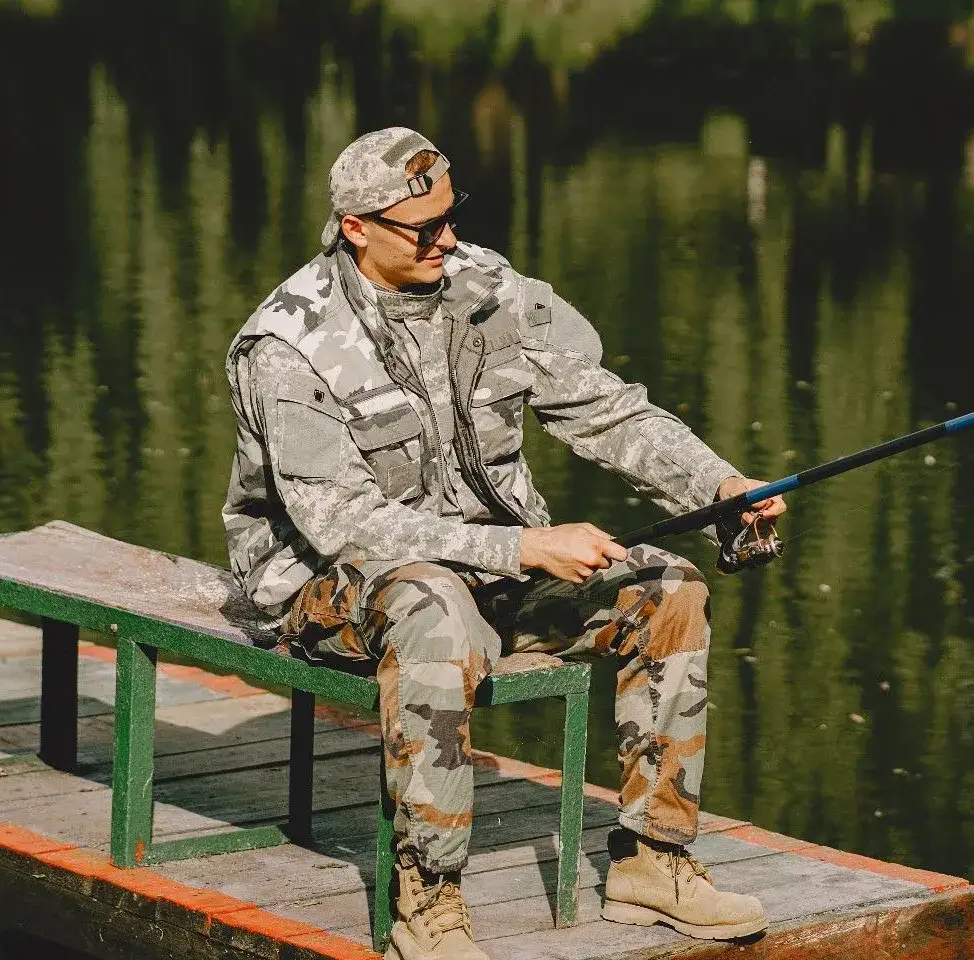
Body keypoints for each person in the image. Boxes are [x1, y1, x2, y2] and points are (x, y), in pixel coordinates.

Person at [223, 127, 787, 960]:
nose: (446, 240)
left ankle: (654, 861)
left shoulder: (485, 289)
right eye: (424, 228)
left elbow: (605, 408)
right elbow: (344, 525)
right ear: (357, 227)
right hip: (321, 586)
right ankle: (429, 902)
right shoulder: (289, 343)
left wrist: (717, 488)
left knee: (666, 590)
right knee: (430, 605)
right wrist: (521, 552)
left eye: (451, 217)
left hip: (485, 567)